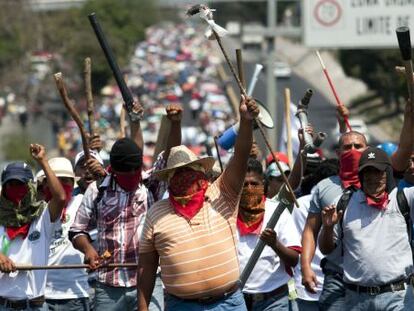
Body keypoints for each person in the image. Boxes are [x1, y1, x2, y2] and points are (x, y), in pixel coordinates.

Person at [137, 96, 259, 311]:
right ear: (170, 179)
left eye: (189, 170)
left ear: (201, 171)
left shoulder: (223, 193)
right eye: (178, 173)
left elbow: (240, 156)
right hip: (181, 305)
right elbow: (146, 268)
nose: (184, 176)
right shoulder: (157, 213)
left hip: (228, 303)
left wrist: (246, 121)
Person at [301, 99, 413, 311]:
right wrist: (306, 265)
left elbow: (405, 149)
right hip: (341, 280)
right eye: (347, 147)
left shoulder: (394, 191)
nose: (352, 150)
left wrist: (409, 114)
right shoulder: (330, 191)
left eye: (358, 147)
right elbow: (312, 233)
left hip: (392, 292)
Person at [69, 103, 182, 311]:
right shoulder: (97, 191)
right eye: (125, 173)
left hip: (148, 282)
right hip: (108, 286)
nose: (131, 176)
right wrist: (88, 249)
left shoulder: (151, 185)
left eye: (135, 171)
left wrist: (175, 124)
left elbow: (171, 157)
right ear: (113, 170)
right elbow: (77, 230)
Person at [319, 147, 414, 310]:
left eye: (378, 172)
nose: (372, 178)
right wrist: (328, 228)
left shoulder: (403, 197)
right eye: (367, 173)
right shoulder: (344, 203)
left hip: (397, 298)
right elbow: (326, 249)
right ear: (360, 176)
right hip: (356, 300)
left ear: (388, 173)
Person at [0, 144, 66, 311]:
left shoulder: (42, 216)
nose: (15, 189)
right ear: (3, 188)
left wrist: (43, 161)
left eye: (20, 184)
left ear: (30, 187)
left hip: (35, 306)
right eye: (11, 184)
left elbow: (60, 198)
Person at [237, 158, 301, 311]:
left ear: (263, 184)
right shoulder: (228, 213)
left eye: (254, 184)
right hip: (237, 301)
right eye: (244, 184)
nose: (250, 188)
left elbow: (293, 259)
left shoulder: (277, 212)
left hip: (273, 300)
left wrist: (275, 244)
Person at [37, 157, 90, 311]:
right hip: (41, 295)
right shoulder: (36, 209)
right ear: (46, 183)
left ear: (74, 183)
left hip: (75, 294)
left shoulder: (83, 201)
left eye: (67, 181)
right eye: (57, 180)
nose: (61, 186)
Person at [292, 159, 339, 311]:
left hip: (334, 283)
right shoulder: (299, 206)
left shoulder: (298, 205)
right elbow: (304, 237)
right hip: (311, 283)